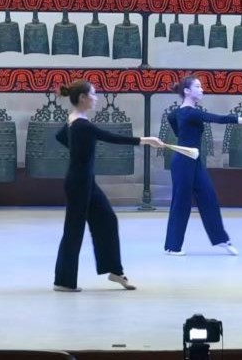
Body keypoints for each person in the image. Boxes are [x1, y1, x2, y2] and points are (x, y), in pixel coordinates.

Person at [53, 79, 164, 292]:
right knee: (74, 230)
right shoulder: (82, 125)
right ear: (83, 97)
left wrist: (79, 153)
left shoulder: (74, 121)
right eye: (93, 94)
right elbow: (111, 137)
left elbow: (60, 137)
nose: (96, 98)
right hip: (79, 183)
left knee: (107, 219)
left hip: (84, 181)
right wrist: (145, 140)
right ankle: (63, 281)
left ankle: (114, 270)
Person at [164, 75, 242, 256]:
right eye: (198, 87)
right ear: (187, 91)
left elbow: (179, 131)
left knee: (208, 197)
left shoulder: (176, 114)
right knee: (181, 202)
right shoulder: (191, 113)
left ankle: (221, 239)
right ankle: (172, 246)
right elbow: (219, 119)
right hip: (183, 162)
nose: (202, 89)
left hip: (194, 160)